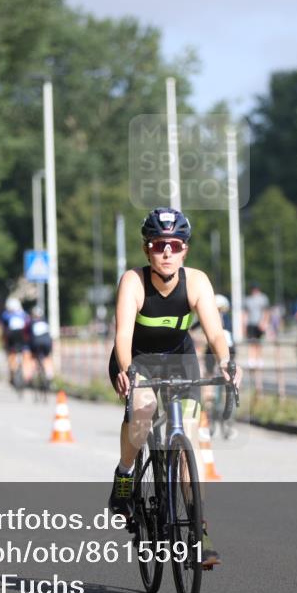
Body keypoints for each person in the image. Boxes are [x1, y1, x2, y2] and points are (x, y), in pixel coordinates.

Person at [107, 207, 242, 569]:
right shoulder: (133, 282)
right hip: (137, 359)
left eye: (175, 245)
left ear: (185, 250)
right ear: (146, 249)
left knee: (190, 443)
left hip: (180, 359)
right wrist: (127, 370)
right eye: (158, 245)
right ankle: (124, 475)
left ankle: (199, 532)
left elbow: (214, 331)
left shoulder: (196, 281)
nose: (166, 252)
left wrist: (227, 362)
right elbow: (122, 335)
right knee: (144, 409)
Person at [0, 297, 31, 385]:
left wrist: (3, 342)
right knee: (26, 353)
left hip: (11, 336)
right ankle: (26, 376)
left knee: (11, 353)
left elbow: (3, 329)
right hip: (22, 336)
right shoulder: (24, 314)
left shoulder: (6, 315)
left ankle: (13, 373)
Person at [242, 283, 269, 370]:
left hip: (259, 323)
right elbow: (245, 313)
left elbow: (266, 311)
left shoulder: (263, 298)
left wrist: (264, 322)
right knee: (251, 342)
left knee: (259, 342)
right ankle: (252, 360)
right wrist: (244, 325)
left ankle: (259, 359)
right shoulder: (248, 300)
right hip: (251, 323)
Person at [27, 306, 54, 382]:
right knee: (47, 357)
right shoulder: (45, 321)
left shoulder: (31, 322)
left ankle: (31, 374)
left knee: (33, 357)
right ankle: (49, 374)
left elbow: (28, 335)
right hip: (47, 342)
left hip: (36, 343)